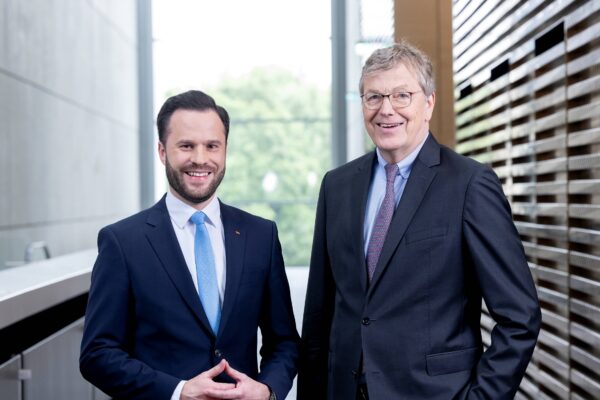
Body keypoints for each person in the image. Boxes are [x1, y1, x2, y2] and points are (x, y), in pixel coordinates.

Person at [298, 40, 541, 400]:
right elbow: (320, 314)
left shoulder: (469, 184)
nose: (386, 110)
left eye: (401, 95)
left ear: (428, 103)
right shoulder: (337, 185)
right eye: (373, 97)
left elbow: (519, 317)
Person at [80, 90, 299, 400]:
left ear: (225, 151)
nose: (200, 158)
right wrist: (178, 391)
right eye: (186, 146)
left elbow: (285, 342)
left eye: (212, 146)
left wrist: (266, 390)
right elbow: (97, 354)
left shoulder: (260, 235)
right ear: (162, 151)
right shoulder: (123, 242)